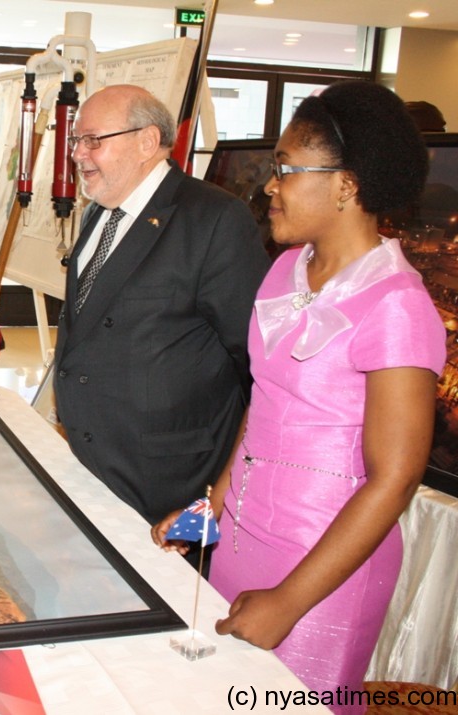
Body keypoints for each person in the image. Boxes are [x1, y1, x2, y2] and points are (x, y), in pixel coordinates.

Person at [153, 81, 445, 711]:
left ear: (347, 184)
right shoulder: (286, 271)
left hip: (324, 565)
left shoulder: (397, 305)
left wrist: (290, 599)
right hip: (245, 536)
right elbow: (266, 402)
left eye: (286, 170)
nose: (269, 185)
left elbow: (394, 478)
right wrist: (216, 505)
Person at [53, 84, 270, 531]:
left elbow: (258, 367)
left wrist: (215, 498)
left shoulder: (214, 220)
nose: (77, 154)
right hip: (90, 466)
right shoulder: (99, 211)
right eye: (76, 139)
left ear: (147, 142)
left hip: (167, 485)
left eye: (94, 140)